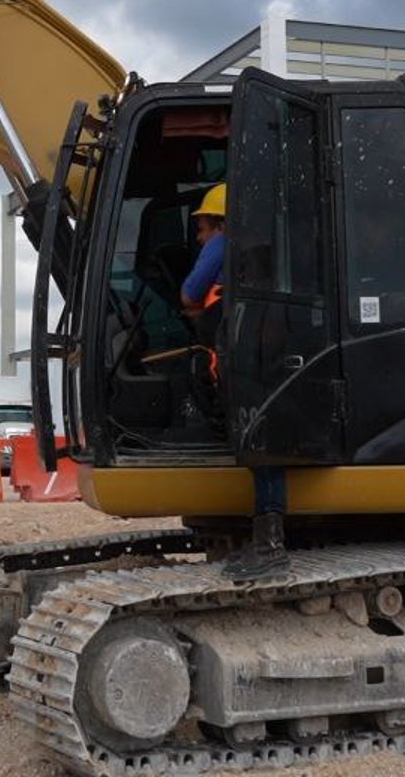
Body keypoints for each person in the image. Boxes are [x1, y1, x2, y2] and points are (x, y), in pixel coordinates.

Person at [180, 184, 288, 581]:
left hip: (241, 351)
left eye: (203, 227)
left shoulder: (224, 242)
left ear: (222, 222)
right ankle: (267, 537)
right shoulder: (268, 251)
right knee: (262, 437)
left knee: (257, 439)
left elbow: (189, 293)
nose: (200, 236)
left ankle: (271, 544)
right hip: (260, 349)